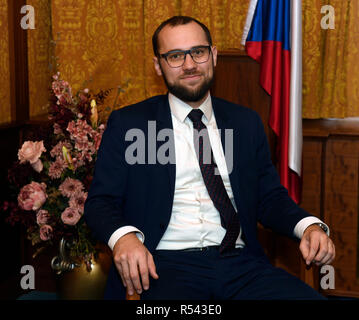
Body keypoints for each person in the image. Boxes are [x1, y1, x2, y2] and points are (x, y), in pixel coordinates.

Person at [84, 16, 335, 300]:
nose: (190, 65)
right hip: (162, 266)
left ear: (213, 55)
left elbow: (269, 198)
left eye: (198, 52)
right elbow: (100, 202)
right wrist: (124, 238)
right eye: (175, 56)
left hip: (240, 264)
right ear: (158, 65)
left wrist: (309, 226)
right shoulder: (131, 124)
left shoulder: (245, 123)